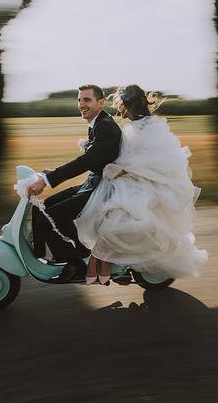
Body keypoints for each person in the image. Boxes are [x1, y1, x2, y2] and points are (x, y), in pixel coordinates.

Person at [76, 85, 208, 285]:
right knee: (103, 210)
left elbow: (155, 161)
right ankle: (102, 260)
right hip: (129, 180)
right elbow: (126, 154)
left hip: (145, 184)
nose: (117, 107)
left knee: (116, 221)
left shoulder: (147, 127)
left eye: (119, 102)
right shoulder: (133, 126)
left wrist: (122, 170)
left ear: (128, 104)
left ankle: (101, 261)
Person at [26, 84, 122, 281]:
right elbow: (95, 160)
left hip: (102, 189)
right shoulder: (98, 123)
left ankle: (75, 264)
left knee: (48, 218)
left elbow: (86, 161)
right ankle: (49, 255)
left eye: (87, 100)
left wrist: (47, 180)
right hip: (93, 183)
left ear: (100, 102)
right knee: (41, 208)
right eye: (79, 100)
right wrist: (52, 173)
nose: (81, 104)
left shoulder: (106, 127)